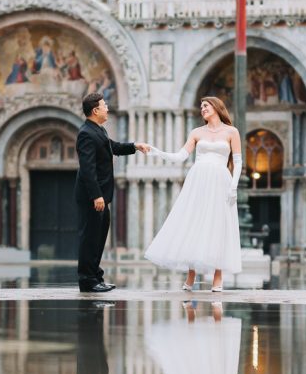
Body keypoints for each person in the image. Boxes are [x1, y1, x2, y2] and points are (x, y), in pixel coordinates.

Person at [143, 96, 242, 293]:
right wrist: (158, 152)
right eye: (201, 107)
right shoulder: (197, 132)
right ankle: (191, 274)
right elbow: (181, 156)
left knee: (219, 224)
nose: (202, 109)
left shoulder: (232, 132)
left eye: (206, 106)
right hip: (198, 180)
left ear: (216, 107)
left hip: (221, 180)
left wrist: (234, 186)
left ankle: (218, 276)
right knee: (194, 222)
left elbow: (238, 162)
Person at [75, 91, 149, 293]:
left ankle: (95, 277)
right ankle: (87, 280)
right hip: (92, 197)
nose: (107, 108)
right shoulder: (86, 133)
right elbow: (87, 169)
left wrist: (135, 146)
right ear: (95, 110)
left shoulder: (98, 130)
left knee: (99, 237)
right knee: (90, 238)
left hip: (100, 195)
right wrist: (96, 195)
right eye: (104, 105)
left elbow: (112, 147)